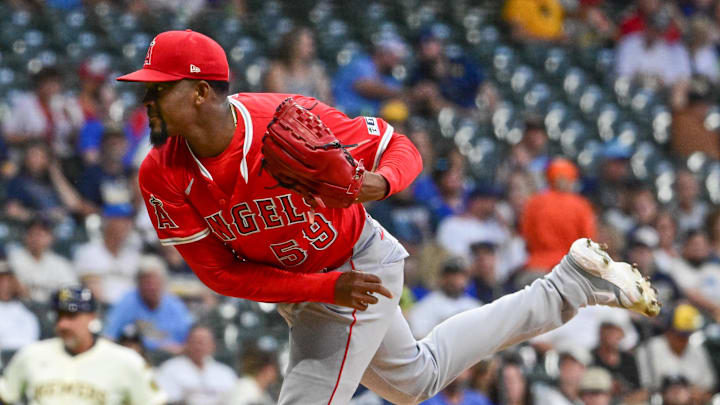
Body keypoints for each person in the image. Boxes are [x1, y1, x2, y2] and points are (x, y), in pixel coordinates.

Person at [119, 30, 659, 404]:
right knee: (415, 381)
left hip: (358, 266)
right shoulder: (160, 174)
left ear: (199, 91)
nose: (146, 100)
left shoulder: (282, 120)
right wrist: (322, 287)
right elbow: (219, 273)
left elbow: (396, 144)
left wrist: (378, 182)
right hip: (324, 285)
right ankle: (568, 287)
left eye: (156, 88)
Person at [0, 286, 165, 405]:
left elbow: (154, 401)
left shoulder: (127, 361)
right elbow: (5, 395)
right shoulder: (31, 354)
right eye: (59, 316)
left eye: (71, 316)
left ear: (91, 317)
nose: (63, 324)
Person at [103, 254, 192, 353]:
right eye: (147, 283)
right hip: (136, 357)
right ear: (138, 284)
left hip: (171, 361)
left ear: (163, 283)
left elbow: (190, 339)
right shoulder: (127, 302)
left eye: (155, 282)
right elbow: (108, 336)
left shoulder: (174, 305)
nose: (151, 287)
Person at [521, 158, 596, 274]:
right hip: (570, 268)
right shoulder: (581, 205)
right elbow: (587, 241)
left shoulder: (534, 202)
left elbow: (526, 235)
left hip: (537, 267)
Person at [636, 303, 716, 401]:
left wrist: (695, 395)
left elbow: (708, 390)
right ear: (668, 331)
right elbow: (643, 391)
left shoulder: (697, 350)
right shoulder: (648, 350)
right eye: (680, 335)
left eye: (687, 335)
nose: (684, 340)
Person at [73, 203, 142, 304]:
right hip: (102, 309)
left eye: (129, 221)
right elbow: (93, 292)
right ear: (108, 222)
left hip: (131, 310)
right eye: (122, 220)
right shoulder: (88, 252)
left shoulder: (133, 255)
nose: (127, 225)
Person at [155, 325, 237, 405]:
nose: (198, 347)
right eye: (195, 342)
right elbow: (165, 400)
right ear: (186, 344)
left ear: (213, 345)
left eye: (203, 342)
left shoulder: (225, 372)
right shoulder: (169, 369)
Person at [6, 218, 77, 303]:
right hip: (21, 307)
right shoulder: (13, 259)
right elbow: (15, 289)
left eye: (41, 235)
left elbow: (72, 291)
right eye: (32, 234)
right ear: (26, 236)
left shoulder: (60, 263)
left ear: (50, 238)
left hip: (53, 309)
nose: (36, 239)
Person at [408, 259, 481, 339]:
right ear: (441, 278)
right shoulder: (426, 305)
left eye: (460, 276)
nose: (455, 280)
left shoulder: (475, 305)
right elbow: (418, 335)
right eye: (450, 275)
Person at [264, 26, 332, 103]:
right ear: (294, 46)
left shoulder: (316, 70)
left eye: (311, 45)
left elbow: (327, 101)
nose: (311, 49)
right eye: (307, 45)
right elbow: (280, 103)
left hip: (315, 112)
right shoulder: (277, 71)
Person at [0, 260, 39, 351]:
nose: (4, 285)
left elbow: (32, 339)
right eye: (1, 280)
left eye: (8, 280)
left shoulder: (26, 309)